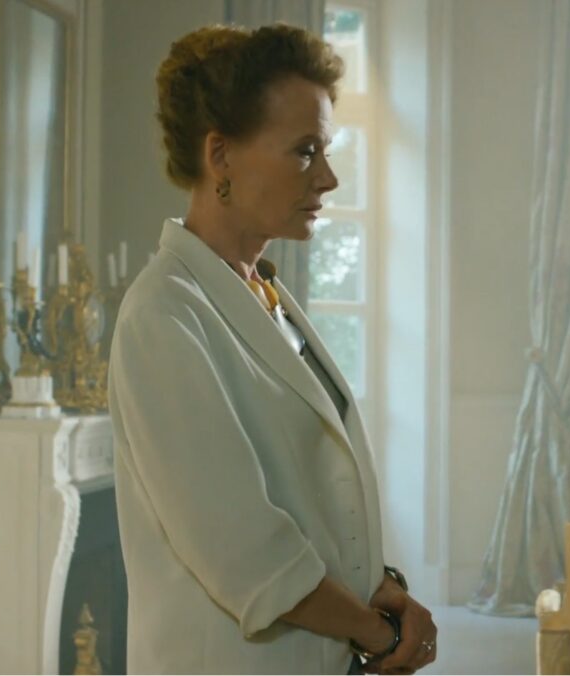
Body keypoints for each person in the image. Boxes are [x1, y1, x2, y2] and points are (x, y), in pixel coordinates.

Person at [108, 24, 437, 674]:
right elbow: (243, 549)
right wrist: (375, 635)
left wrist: (380, 588)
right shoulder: (163, 316)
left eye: (326, 151)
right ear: (220, 155)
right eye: (305, 152)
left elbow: (310, 499)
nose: (330, 178)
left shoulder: (264, 295)